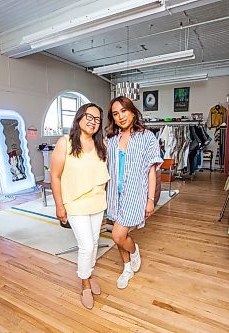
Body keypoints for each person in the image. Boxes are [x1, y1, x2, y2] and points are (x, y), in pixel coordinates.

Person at [50, 103, 109, 309]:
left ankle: (88, 274)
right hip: (75, 202)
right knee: (87, 246)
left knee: (93, 242)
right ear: (79, 117)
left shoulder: (102, 145)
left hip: (97, 202)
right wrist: (59, 206)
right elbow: (55, 176)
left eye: (97, 119)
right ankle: (84, 284)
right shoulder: (64, 143)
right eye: (89, 117)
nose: (93, 122)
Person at [106, 96, 163, 289]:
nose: (120, 116)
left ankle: (134, 250)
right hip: (115, 195)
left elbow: (151, 170)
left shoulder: (147, 137)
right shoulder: (112, 140)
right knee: (118, 235)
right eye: (115, 114)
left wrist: (150, 199)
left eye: (123, 111)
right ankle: (127, 268)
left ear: (132, 111)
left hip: (135, 195)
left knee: (118, 236)